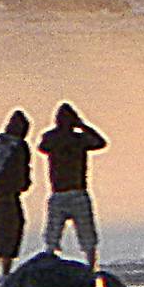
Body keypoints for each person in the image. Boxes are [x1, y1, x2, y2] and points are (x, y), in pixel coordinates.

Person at [39, 102, 108, 263]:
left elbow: (101, 142)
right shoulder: (53, 138)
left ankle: (91, 266)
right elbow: (43, 147)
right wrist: (80, 127)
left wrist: (82, 126)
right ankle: (51, 264)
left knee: (87, 237)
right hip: (60, 193)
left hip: (76, 191)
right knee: (52, 236)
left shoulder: (79, 139)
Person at [0, 110, 32, 283]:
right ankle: (5, 273)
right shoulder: (19, 146)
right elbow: (22, 170)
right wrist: (22, 185)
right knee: (12, 229)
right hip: (9, 195)